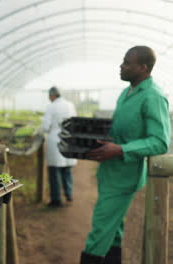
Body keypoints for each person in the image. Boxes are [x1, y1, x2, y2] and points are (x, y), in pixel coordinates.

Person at [80, 46, 170, 264]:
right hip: (110, 172)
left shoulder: (153, 96)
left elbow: (160, 142)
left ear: (143, 68)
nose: (121, 66)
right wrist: (106, 142)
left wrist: (120, 149)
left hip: (124, 177)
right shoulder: (126, 93)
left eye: (127, 62)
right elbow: (122, 131)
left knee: (100, 230)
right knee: (114, 231)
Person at [40, 86, 77, 207]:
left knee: (55, 171)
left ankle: (56, 199)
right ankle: (69, 194)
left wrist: (41, 131)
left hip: (55, 139)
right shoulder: (70, 105)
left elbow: (45, 126)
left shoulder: (51, 106)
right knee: (67, 168)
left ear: (52, 95)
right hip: (68, 139)